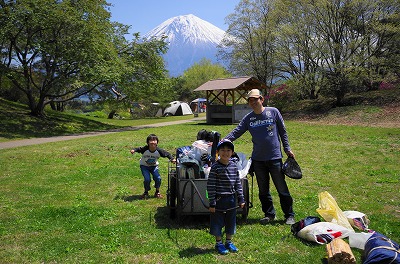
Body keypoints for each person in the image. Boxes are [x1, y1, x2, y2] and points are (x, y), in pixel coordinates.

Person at [225, 89, 296, 225]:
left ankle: (289, 215)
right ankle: (269, 214)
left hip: (275, 158)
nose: (253, 102)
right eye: (250, 100)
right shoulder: (248, 118)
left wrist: (287, 148)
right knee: (263, 191)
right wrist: (222, 141)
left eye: (255, 99)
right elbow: (236, 132)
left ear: (261, 99)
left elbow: (283, 131)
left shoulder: (273, 112)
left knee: (282, 188)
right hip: (258, 160)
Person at [207, 139, 245, 255]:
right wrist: (212, 202)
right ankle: (219, 243)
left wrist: (241, 198)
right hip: (218, 200)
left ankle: (228, 241)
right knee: (217, 221)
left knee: (231, 221)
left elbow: (237, 183)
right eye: (222, 150)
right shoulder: (215, 167)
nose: (225, 153)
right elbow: (211, 186)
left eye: (228, 150)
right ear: (218, 152)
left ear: (232, 152)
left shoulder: (233, 166)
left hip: (231, 199)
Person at [130, 134, 175, 199]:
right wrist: (133, 150)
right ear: (148, 142)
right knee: (147, 179)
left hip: (154, 166)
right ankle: (146, 192)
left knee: (158, 178)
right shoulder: (145, 149)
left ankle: (157, 192)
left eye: (154, 140)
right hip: (144, 166)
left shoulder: (159, 151)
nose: (153, 142)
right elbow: (138, 149)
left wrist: (172, 159)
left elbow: (167, 154)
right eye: (150, 140)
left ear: (157, 142)